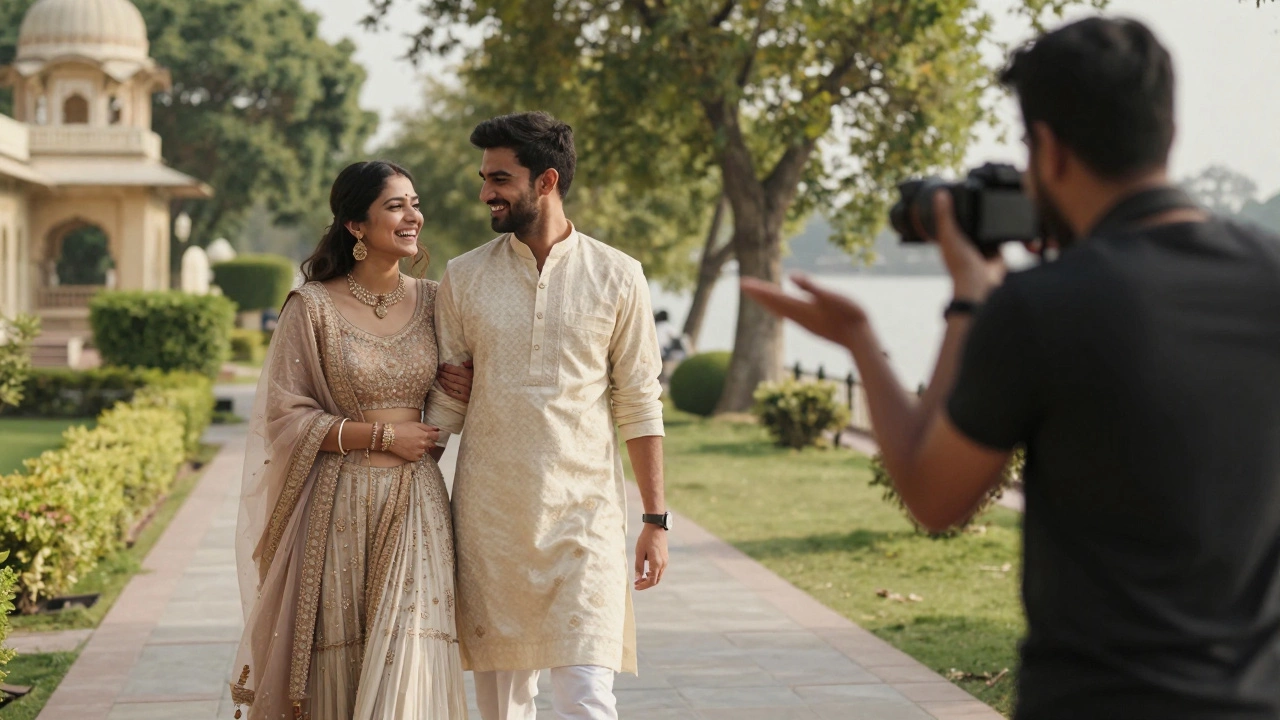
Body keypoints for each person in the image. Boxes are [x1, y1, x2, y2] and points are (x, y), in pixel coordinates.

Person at [744, 16, 1280, 720]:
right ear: (1166, 133)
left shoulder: (1043, 308)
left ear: (1048, 149)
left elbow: (934, 498)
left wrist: (881, 331)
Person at [424, 111, 669, 720]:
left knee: (587, 699)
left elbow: (639, 400)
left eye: (500, 178)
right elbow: (450, 402)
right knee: (502, 711)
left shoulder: (618, 275)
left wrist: (655, 519)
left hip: (583, 521)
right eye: (484, 177)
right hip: (490, 529)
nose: (486, 192)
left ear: (546, 181)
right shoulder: (464, 276)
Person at [229, 161, 476, 720]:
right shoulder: (311, 306)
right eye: (395, 206)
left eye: (414, 203)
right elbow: (284, 417)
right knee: (340, 665)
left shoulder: (440, 301)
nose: (413, 216)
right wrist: (382, 434)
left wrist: (458, 390)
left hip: (416, 502)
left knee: (410, 658)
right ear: (356, 226)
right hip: (337, 507)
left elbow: (461, 389)